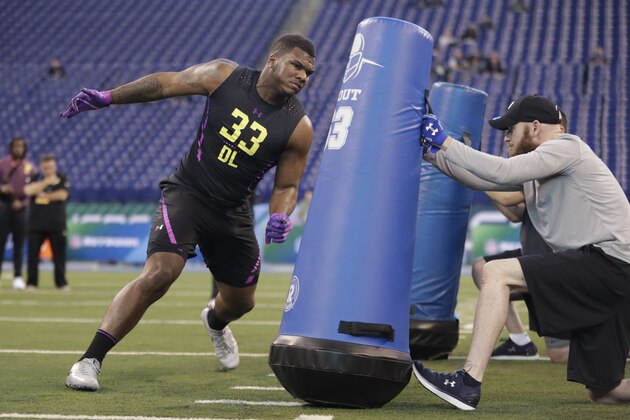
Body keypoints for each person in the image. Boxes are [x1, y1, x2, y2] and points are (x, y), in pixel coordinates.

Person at [60, 33, 316, 391]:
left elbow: (286, 187)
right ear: (273, 59)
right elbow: (165, 84)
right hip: (188, 194)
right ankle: (89, 360)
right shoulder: (224, 75)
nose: (304, 76)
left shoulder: (299, 127)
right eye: (298, 65)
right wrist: (108, 97)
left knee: (242, 303)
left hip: (233, 212)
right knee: (160, 274)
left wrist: (280, 215)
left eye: (309, 72)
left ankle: (214, 321)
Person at [414, 95, 630, 409]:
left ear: (535, 126)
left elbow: (500, 172)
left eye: (510, 129)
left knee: (495, 272)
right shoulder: (539, 170)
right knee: (605, 391)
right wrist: (433, 155)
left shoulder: (565, 146)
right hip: (606, 272)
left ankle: (468, 381)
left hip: (611, 263)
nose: (506, 137)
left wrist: (444, 140)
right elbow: (481, 179)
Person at [473, 111, 570, 364]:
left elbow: (505, 196)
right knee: (482, 268)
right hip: (535, 258)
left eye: (511, 131)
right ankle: (519, 341)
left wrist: (474, 173)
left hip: (557, 263)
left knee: (561, 354)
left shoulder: (553, 161)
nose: (507, 138)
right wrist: (483, 182)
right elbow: (515, 213)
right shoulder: (535, 163)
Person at [23, 154, 70, 291]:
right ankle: (31, 283)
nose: (48, 170)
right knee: (32, 256)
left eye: (50, 167)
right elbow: (28, 191)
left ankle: (61, 283)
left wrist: (42, 195)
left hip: (56, 224)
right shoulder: (35, 177)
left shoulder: (62, 178)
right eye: (45, 167)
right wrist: (46, 182)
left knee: (59, 256)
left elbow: (62, 195)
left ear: (54, 166)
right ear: (41, 167)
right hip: (35, 224)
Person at [0, 137, 37, 290]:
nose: (18, 149)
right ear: (11, 148)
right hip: (3, 207)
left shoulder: (30, 167)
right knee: (0, 243)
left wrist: (21, 203)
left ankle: (17, 276)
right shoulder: (2, 164)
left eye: (21, 146)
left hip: (22, 209)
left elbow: (33, 189)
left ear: (24, 148)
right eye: (15, 146)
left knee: (19, 244)